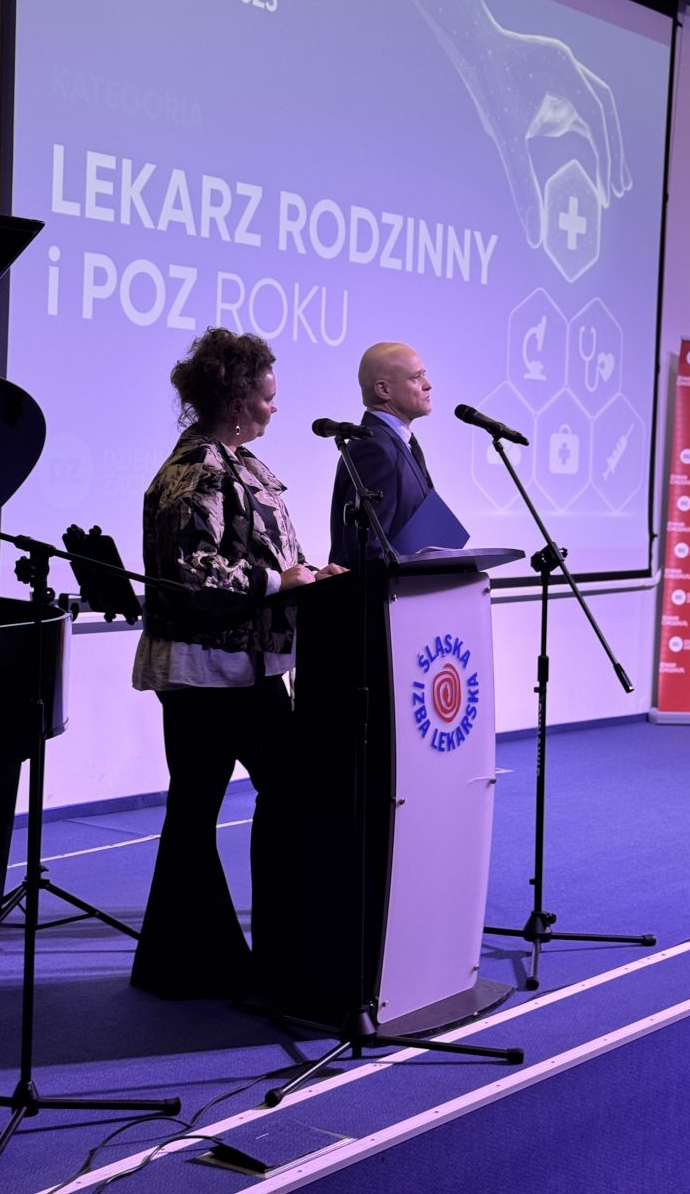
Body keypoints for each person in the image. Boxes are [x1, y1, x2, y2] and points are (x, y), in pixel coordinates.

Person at [131, 327, 343, 999]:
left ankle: (211, 958)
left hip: (248, 667)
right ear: (235, 403)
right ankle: (195, 965)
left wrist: (312, 573)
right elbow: (192, 574)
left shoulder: (243, 463)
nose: (276, 406)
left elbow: (273, 552)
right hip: (205, 670)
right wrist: (281, 581)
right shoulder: (197, 469)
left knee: (271, 794)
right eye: (267, 396)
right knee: (199, 811)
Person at [329, 341, 437, 569]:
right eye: (416, 377)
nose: (428, 385)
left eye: (424, 374)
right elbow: (366, 548)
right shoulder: (374, 448)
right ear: (383, 390)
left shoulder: (396, 442)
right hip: (384, 590)